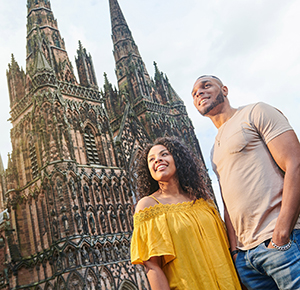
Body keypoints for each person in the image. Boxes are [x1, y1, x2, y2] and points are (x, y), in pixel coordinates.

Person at [191, 75, 300, 290]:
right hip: (248, 258)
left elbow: (295, 163)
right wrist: (236, 253)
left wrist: (281, 233)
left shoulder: (255, 112)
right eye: (194, 94)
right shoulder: (214, 150)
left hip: (281, 242)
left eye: (206, 86)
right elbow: (228, 203)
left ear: (224, 89)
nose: (200, 93)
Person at [130, 137, 241, 290]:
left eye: (164, 154)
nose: (158, 160)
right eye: (151, 159)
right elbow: (152, 266)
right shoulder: (148, 206)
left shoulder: (203, 201)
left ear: (178, 159)